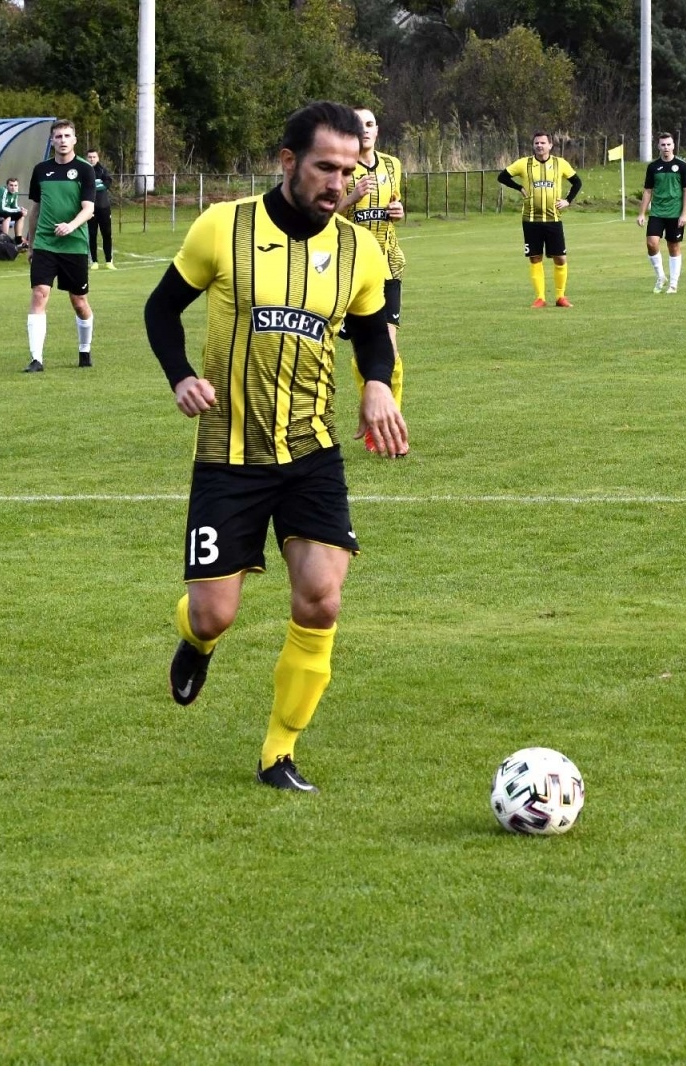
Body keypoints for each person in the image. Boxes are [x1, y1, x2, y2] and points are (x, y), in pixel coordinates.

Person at [142, 100, 409, 792]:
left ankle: (278, 752)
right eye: (325, 167)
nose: (337, 183)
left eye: (348, 171)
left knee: (321, 598)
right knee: (215, 611)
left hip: (311, 450)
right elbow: (161, 307)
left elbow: (373, 330)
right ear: (288, 162)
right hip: (227, 454)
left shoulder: (359, 249)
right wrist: (180, 378)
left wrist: (377, 385)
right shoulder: (222, 228)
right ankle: (196, 640)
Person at [341, 107, 407, 414]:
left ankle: (391, 419)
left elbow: (395, 204)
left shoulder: (393, 165)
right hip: (354, 272)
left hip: (389, 267)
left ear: (377, 130)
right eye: (358, 125)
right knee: (365, 352)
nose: (364, 129)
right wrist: (351, 198)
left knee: (390, 352)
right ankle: (371, 415)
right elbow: (325, 216)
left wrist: (399, 212)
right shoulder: (340, 168)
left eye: (369, 124)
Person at [22, 120, 96, 372]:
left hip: (74, 244)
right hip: (44, 242)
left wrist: (71, 226)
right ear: (51, 141)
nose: (63, 140)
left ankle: (84, 349)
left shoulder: (85, 170)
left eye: (67, 135)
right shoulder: (41, 170)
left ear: (74, 140)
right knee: (39, 293)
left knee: (79, 302)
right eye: (58, 136)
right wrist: (30, 244)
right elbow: (35, 209)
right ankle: (36, 359)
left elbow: (89, 209)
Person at [499, 133, 582, 308]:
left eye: (543, 143)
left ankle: (560, 297)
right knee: (535, 258)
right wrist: (519, 187)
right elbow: (502, 176)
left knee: (560, 258)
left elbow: (577, 182)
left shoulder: (560, 163)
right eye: (536, 143)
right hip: (530, 220)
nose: (539, 146)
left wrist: (568, 200)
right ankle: (540, 298)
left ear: (550, 145)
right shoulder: (524, 163)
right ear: (533, 145)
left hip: (553, 219)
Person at [636, 131, 686, 293]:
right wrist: (641, 213)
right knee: (651, 243)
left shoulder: (682, 166)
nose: (666, 148)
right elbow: (648, 191)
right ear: (658, 147)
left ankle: (673, 283)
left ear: (673, 146)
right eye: (663, 145)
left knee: (673, 246)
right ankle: (661, 276)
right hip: (657, 212)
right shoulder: (653, 167)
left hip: (675, 213)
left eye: (668, 144)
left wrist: (684, 213)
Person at [84, 150, 116, 270]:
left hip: (104, 207)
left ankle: (109, 261)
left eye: (94, 157)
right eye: (90, 157)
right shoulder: (84, 171)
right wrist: (95, 184)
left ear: (97, 158)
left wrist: (95, 185)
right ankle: (94, 261)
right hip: (90, 209)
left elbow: (107, 183)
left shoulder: (103, 170)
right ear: (86, 158)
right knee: (92, 235)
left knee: (107, 234)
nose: (92, 159)